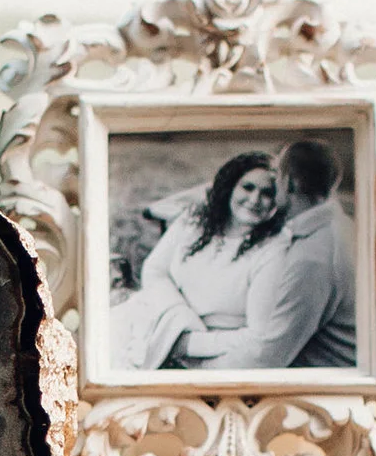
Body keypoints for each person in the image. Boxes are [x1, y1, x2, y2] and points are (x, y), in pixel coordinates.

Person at [189, 135, 357, 372]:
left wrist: (199, 369)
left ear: (289, 184)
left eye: (277, 175)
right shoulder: (338, 225)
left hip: (320, 375)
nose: (273, 181)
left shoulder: (313, 258)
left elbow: (268, 356)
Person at [114, 151, 285, 371]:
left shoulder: (273, 249)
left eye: (267, 193)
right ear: (231, 186)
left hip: (205, 352)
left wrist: (189, 343)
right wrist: (179, 320)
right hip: (152, 317)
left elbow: (259, 335)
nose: (254, 200)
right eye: (248, 187)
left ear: (278, 200)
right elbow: (155, 270)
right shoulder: (196, 220)